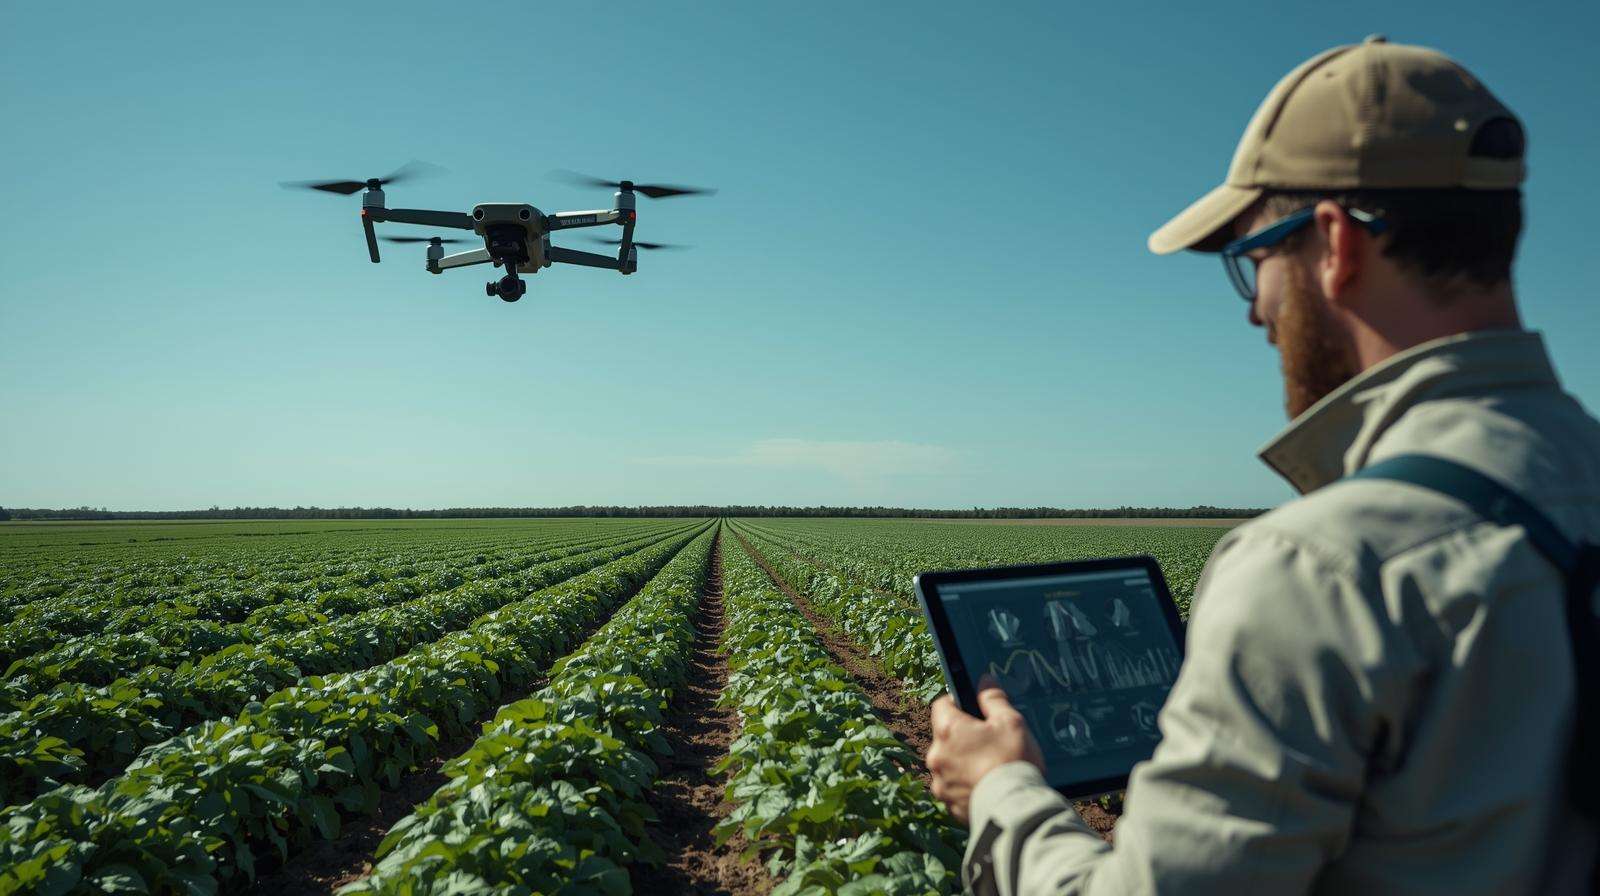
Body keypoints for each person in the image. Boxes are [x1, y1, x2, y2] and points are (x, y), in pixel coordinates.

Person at [925, 36, 1600, 895]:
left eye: (1255, 264)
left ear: (1333, 246)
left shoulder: (1321, 569)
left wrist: (1001, 793)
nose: (1260, 316)